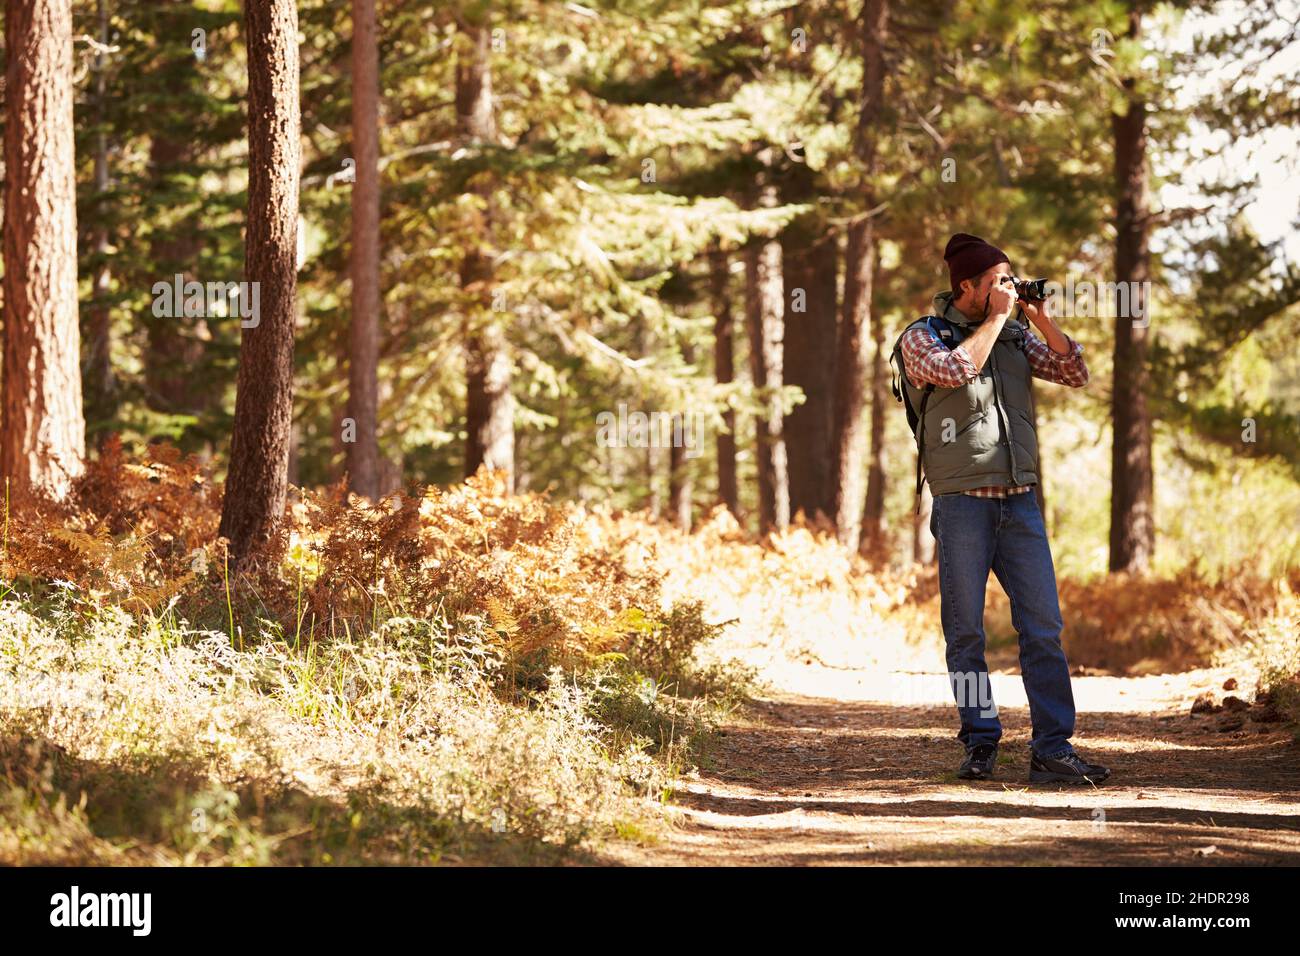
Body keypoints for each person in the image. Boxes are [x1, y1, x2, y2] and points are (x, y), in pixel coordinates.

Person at [895, 232, 1110, 784]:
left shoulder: (1014, 332)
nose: (1007, 291)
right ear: (967, 286)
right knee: (966, 632)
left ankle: (1053, 750)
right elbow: (955, 371)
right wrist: (996, 321)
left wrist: (1036, 317)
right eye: (997, 282)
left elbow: (1074, 372)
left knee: (1042, 627)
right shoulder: (921, 338)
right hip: (963, 504)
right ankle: (981, 741)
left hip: (1020, 504)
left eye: (1009, 281)